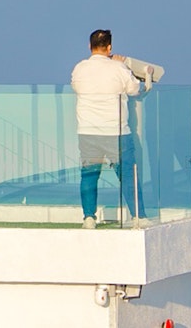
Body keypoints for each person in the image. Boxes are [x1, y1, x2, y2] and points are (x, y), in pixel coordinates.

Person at [71, 29, 148, 229]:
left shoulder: (79, 68)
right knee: (128, 175)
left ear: (90, 46)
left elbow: (76, 86)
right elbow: (134, 89)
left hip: (87, 131)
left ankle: (89, 217)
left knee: (89, 175)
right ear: (110, 47)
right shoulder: (118, 69)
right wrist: (121, 66)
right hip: (116, 132)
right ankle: (138, 216)